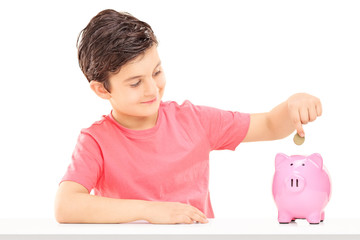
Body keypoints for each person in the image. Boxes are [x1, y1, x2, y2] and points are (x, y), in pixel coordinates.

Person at [54, 9, 322, 224]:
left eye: (157, 72)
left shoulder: (193, 121)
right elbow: (66, 206)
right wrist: (152, 212)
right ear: (102, 89)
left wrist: (292, 105)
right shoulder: (96, 140)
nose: (152, 89)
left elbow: (269, 125)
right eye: (135, 83)